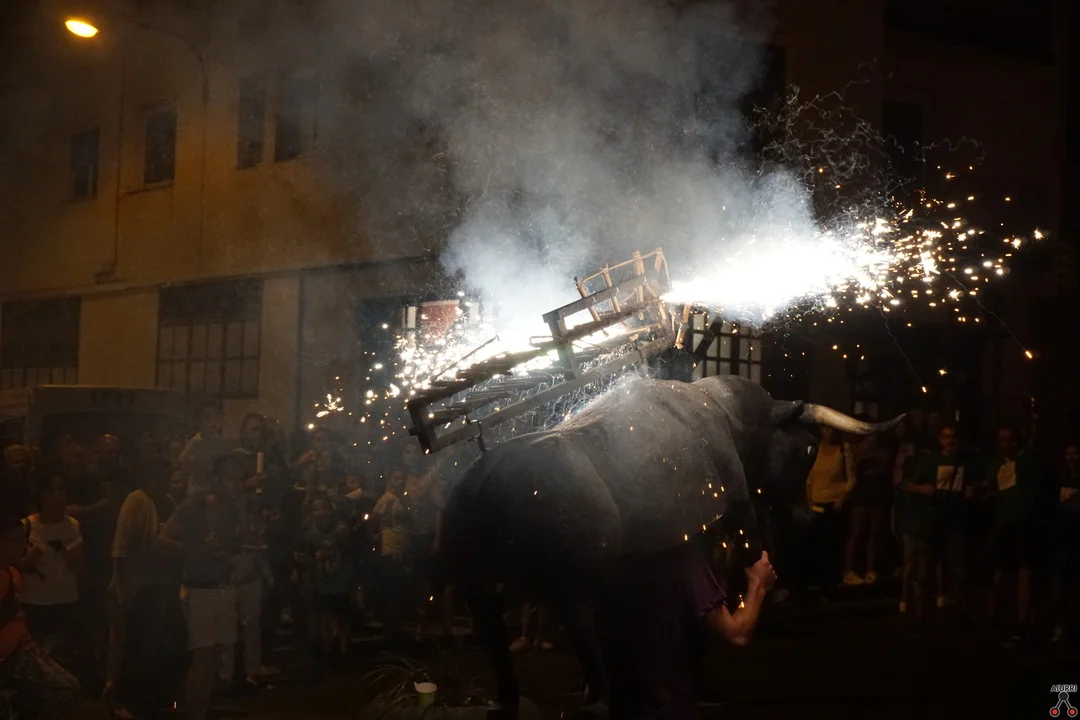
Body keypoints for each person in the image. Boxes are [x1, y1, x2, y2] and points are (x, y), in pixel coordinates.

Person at [597, 536, 777, 719]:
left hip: (625, 704)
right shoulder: (683, 558)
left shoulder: (614, 556)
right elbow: (736, 634)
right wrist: (757, 583)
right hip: (668, 707)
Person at [159, 467, 240, 720]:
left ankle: (202, 710)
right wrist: (197, 550)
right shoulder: (190, 508)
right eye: (231, 478)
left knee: (213, 655)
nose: (236, 484)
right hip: (199, 588)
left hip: (222, 585)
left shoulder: (230, 508)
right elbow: (163, 540)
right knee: (203, 655)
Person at [105, 460, 177, 717]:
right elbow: (122, 543)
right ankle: (122, 698)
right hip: (137, 583)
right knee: (132, 643)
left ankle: (140, 696)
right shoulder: (137, 500)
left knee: (148, 643)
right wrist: (120, 581)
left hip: (156, 582)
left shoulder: (165, 501)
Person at [0, 507, 81, 718]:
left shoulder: (11, 573)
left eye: (22, 538)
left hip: (22, 648)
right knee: (65, 691)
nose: (22, 544)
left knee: (70, 686)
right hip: (10, 660)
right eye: (14, 540)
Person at [906, 425, 981, 634]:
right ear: (940, 439)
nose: (950, 441)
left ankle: (964, 615)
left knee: (959, 571)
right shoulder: (930, 461)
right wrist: (923, 489)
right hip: (933, 522)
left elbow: (981, 482)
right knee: (924, 573)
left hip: (955, 523)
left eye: (953, 437)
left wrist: (974, 489)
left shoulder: (966, 462)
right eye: (947, 437)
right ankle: (921, 617)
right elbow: (909, 485)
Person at [984, 426, 1048, 648]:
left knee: (1024, 572)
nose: (1007, 444)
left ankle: (1023, 623)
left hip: (1025, 524)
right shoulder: (997, 464)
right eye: (1003, 440)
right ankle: (995, 617)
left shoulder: (1026, 460)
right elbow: (993, 486)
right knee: (999, 572)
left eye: (1010, 439)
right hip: (1005, 524)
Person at [18, 475, 84, 654]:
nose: (56, 495)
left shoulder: (73, 525)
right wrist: (30, 560)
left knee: (63, 655)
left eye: (61, 489)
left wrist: (71, 554)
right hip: (34, 600)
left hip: (65, 599)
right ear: (42, 495)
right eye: (50, 491)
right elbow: (13, 565)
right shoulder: (27, 525)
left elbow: (79, 567)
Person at [300, 493, 354, 658]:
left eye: (324, 508)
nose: (321, 513)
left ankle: (344, 652)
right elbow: (304, 557)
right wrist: (314, 559)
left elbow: (349, 551)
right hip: (322, 582)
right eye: (316, 509)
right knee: (325, 618)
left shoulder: (341, 528)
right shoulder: (309, 533)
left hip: (341, 579)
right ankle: (327, 652)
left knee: (343, 617)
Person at [803, 426, 854, 594]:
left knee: (834, 545)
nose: (828, 433)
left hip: (835, 504)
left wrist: (841, 500)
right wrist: (808, 501)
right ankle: (818, 581)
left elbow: (851, 479)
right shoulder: (814, 449)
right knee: (817, 545)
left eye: (831, 429)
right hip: (816, 505)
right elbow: (809, 478)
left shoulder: (843, 450)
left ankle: (832, 584)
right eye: (825, 429)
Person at [843, 429, 892, 585]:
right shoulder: (857, 448)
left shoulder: (883, 451)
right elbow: (852, 468)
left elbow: (886, 472)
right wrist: (864, 450)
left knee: (874, 534)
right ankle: (849, 570)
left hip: (877, 496)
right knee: (856, 532)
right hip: (860, 496)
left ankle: (870, 569)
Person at [373, 469, 411, 644]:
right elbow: (374, 519)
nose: (400, 482)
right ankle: (390, 633)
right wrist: (379, 529)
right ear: (390, 480)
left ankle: (397, 630)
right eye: (396, 478)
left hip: (402, 549)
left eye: (402, 479)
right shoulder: (386, 499)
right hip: (389, 550)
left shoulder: (403, 499)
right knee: (392, 593)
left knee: (400, 592)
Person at [179, 402, 232, 498]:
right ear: (198, 421)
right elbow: (183, 460)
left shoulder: (220, 442)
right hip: (199, 487)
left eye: (217, 418)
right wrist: (195, 477)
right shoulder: (196, 442)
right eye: (208, 418)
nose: (213, 422)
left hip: (215, 486)